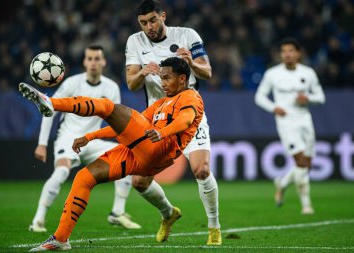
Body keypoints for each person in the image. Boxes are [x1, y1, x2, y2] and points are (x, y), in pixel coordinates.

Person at [20, 57, 203, 251]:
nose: (162, 83)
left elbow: (185, 120)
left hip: (158, 147)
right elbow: (124, 128)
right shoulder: (162, 103)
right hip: (141, 156)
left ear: (182, 78)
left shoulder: (191, 97)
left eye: (167, 78)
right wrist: (90, 136)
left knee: (107, 107)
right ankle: (61, 239)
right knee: (84, 177)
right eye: (161, 78)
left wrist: (162, 132)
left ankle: (52, 103)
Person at [125, 0, 221, 245]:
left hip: (190, 111)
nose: (148, 27)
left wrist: (191, 63)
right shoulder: (135, 42)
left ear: (163, 16)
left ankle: (214, 228)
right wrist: (142, 72)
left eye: (152, 20)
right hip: (156, 118)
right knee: (139, 182)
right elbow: (131, 84)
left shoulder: (187, 35)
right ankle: (168, 214)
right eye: (143, 23)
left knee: (202, 169)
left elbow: (207, 72)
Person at [29, 44, 140, 233]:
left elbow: (117, 120)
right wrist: (41, 144)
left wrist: (124, 140)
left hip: (91, 140)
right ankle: (38, 220)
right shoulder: (72, 83)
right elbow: (49, 110)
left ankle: (117, 212)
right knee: (62, 172)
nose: (93, 63)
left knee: (128, 157)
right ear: (84, 62)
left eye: (97, 59)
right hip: (68, 137)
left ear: (103, 62)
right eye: (89, 59)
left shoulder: (111, 87)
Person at [254, 37, 325, 214]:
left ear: (298, 54)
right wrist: (274, 107)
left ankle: (282, 183)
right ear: (280, 54)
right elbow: (259, 97)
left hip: (304, 119)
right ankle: (306, 205)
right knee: (300, 161)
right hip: (285, 121)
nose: (287, 54)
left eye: (291, 50)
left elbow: (321, 97)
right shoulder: (273, 74)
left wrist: (308, 99)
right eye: (284, 51)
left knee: (306, 164)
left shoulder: (308, 73)